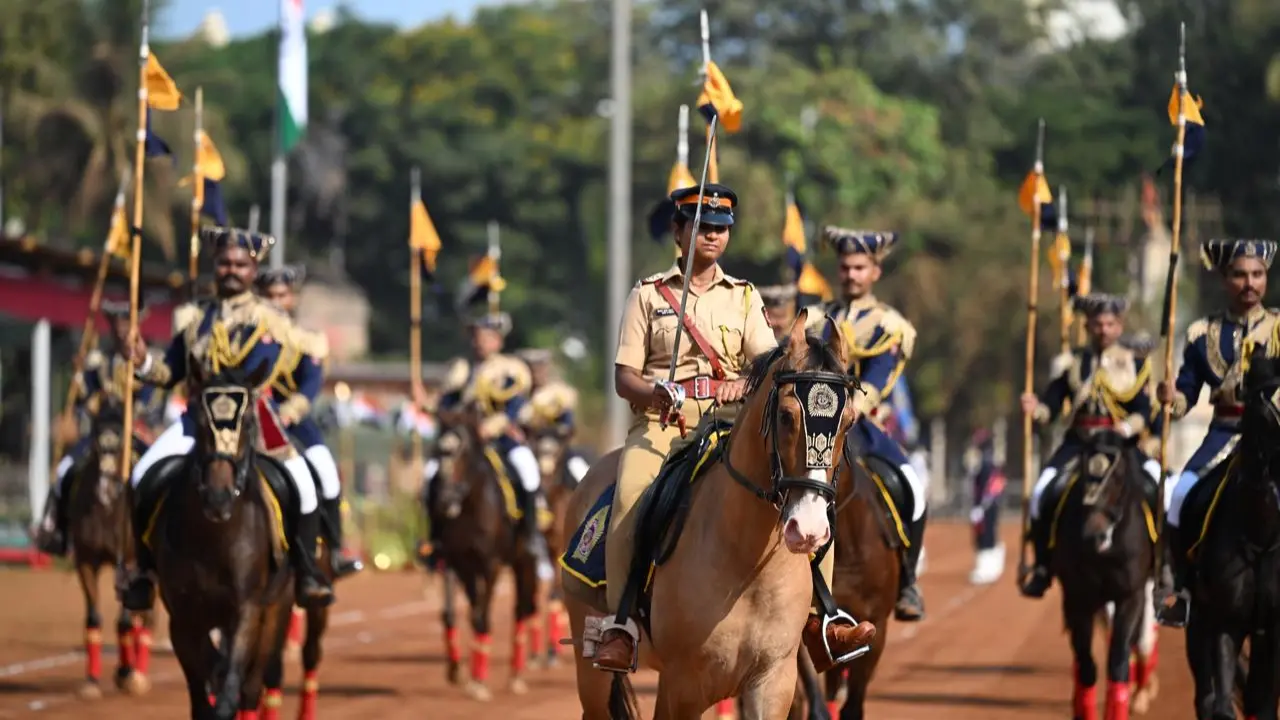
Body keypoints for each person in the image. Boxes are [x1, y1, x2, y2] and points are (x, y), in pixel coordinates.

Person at [591, 183, 876, 673]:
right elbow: (624, 377)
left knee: (810, 488)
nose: (714, 236)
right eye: (702, 226)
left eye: (722, 229)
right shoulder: (646, 296)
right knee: (629, 499)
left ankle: (821, 618)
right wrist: (652, 393)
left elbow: (769, 364)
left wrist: (742, 382)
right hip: (663, 426)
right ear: (679, 232)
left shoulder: (743, 297)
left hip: (729, 424)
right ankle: (622, 625)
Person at [122, 226, 333, 610]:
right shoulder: (191, 318)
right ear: (214, 266)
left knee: (303, 484)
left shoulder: (272, 320)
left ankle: (306, 571)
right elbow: (170, 372)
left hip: (254, 418)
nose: (231, 270)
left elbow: (262, 368)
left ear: (253, 270)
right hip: (199, 419)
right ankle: (143, 570)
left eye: (241, 264)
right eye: (224, 263)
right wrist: (143, 361)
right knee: (141, 475)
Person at [803, 226, 927, 621]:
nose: (851, 274)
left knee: (911, 487)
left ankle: (907, 579)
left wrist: (852, 406)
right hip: (818, 424)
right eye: (845, 267)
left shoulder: (890, 325)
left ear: (875, 272)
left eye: (860, 267)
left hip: (864, 426)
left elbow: (880, 376)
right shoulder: (819, 320)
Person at [1154, 239, 1280, 626]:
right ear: (1225, 279)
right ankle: (1180, 586)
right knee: (1178, 496)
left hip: (1273, 439)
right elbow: (1188, 396)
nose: (1250, 283)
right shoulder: (1201, 333)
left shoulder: (1279, 328)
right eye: (1240, 275)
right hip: (1222, 435)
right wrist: (1171, 398)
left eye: (1257, 275)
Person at [1018, 292, 1162, 598]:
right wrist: (1035, 409)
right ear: (1087, 326)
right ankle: (1043, 566)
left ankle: (1164, 564)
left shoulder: (1135, 363)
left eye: (1110, 324)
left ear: (1119, 326)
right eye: (1097, 324)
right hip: (1079, 444)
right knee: (1043, 492)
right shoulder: (1070, 363)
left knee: (1158, 488)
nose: (1104, 330)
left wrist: (1126, 429)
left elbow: (1143, 409)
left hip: (1120, 444)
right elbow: (1051, 407)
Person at [256, 265, 363, 578]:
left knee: (327, 475)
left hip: (293, 423)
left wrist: (289, 411)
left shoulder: (306, 340)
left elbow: (311, 384)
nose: (276, 301)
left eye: (282, 295)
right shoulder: (245, 334)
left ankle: (335, 550)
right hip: (248, 419)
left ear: (293, 298)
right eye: (269, 295)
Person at [33, 301, 161, 555]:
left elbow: (152, 400)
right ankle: (57, 528)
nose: (121, 329)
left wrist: (131, 407)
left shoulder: (147, 361)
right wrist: (79, 377)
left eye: (126, 323)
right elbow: (83, 401)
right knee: (64, 470)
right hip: (98, 433)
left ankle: (158, 535)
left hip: (132, 433)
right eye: (116, 324)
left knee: (156, 474)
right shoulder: (97, 360)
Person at [433, 312, 547, 558]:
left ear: (498, 341)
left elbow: (514, 407)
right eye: (476, 337)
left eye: (485, 337)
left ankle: (530, 536)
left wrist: (492, 427)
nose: (479, 342)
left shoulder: (509, 371)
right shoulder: (462, 371)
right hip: (467, 440)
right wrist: (428, 404)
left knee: (528, 472)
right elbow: (447, 405)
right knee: (435, 472)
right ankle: (435, 538)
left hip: (501, 440)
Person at [517, 348, 590, 485]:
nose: (536, 374)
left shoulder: (557, 396)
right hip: (530, 448)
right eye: (532, 369)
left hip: (557, 449)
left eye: (540, 369)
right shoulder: (521, 398)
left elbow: (567, 425)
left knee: (580, 470)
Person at [964, 428, 1006, 585]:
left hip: (987, 506)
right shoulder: (982, 463)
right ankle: (986, 564)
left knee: (986, 534)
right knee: (982, 535)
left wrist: (982, 507)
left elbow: (991, 488)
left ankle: (987, 566)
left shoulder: (987, 464)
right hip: (983, 506)